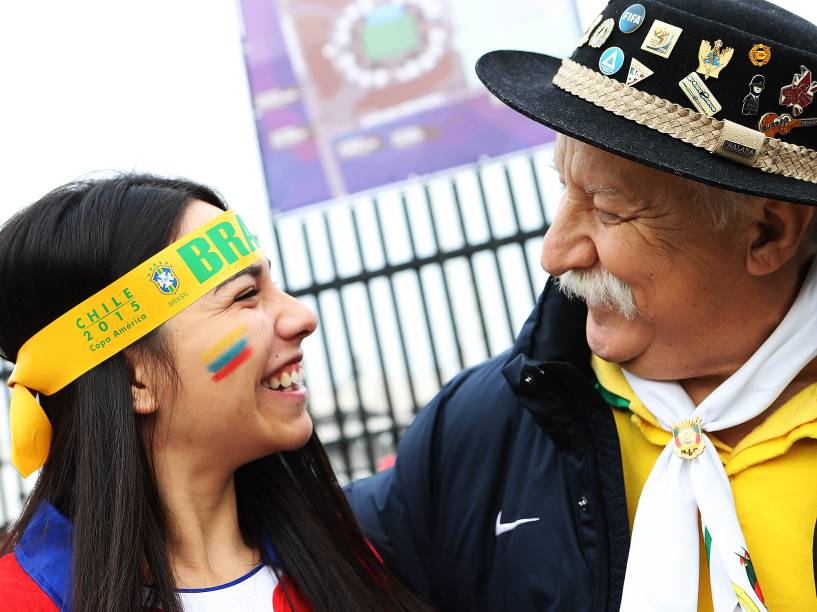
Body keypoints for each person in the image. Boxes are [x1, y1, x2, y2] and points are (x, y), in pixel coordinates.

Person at [345, 0, 817, 610]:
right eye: (565, 190)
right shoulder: (483, 431)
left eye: (608, 207)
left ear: (767, 234)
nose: (555, 252)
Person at [0, 175, 432, 611]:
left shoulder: (343, 557)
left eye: (273, 287)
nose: (301, 317)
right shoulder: (23, 599)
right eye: (246, 295)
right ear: (137, 379)